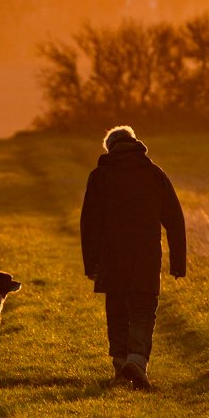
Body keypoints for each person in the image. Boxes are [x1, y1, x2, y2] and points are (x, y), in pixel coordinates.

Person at [79, 125, 186, 390]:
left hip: (111, 258)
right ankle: (137, 360)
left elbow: (88, 224)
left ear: (110, 148)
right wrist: (178, 263)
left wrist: (90, 264)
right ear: (136, 143)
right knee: (142, 311)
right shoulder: (153, 174)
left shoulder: (100, 176)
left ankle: (120, 366)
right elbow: (175, 220)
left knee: (116, 311)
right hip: (145, 256)